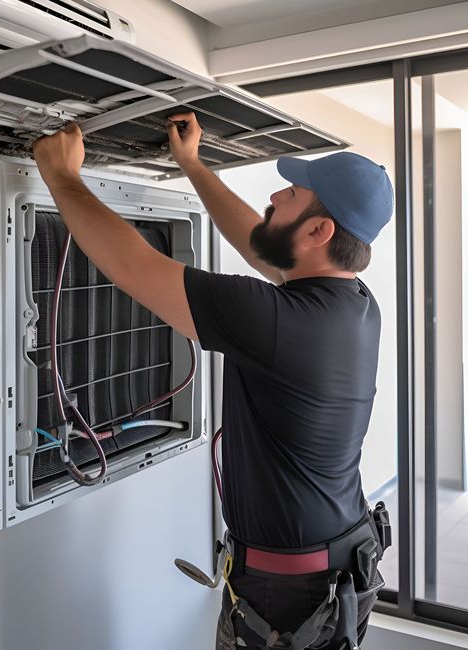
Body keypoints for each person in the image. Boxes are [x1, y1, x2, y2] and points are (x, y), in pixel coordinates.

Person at [33, 111, 394, 649]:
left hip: (287, 598)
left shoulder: (280, 321)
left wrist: (62, 177)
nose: (275, 197)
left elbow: (133, 265)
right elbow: (259, 243)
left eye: (291, 195)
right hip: (329, 570)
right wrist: (192, 166)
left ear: (320, 232)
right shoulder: (354, 304)